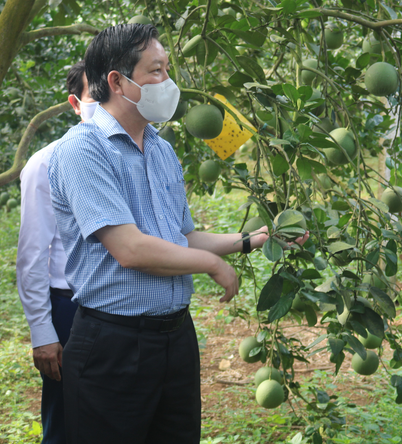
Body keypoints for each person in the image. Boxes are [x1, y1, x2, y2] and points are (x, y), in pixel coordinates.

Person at [48, 23, 308, 444]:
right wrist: (210, 265)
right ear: (118, 81)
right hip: (113, 345)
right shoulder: (83, 150)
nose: (167, 82)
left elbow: (181, 237)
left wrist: (254, 239)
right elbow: (129, 248)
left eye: (168, 69)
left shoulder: (161, 149)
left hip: (174, 340)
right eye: (156, 71)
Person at [16, 61, 97, 444]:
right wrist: (42, 331)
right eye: (95, 94)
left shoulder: (132, 156)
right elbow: (33, 254)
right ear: (75, 103)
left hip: (116, 308)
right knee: (67, 418)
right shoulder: (45, 163)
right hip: (69, 306)